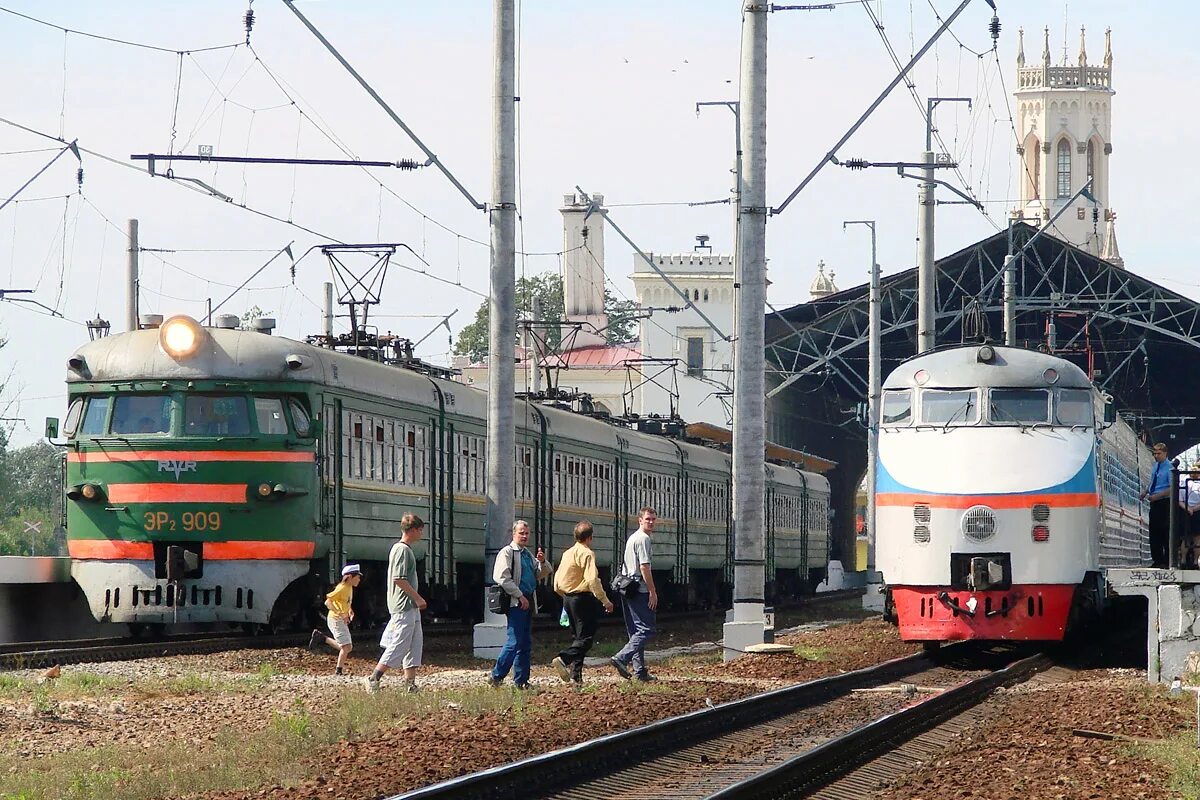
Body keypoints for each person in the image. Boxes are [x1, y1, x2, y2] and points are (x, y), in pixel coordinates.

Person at [366, 514, 427, 694]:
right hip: (404, 605)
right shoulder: (402, 550)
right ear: (414, 530)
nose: (421, 534)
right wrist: (417, 598)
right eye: (420, 530)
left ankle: (410, 684)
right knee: (399, 643)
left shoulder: (404, 549)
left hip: (410, 607)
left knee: (414, 643)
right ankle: (373, 678)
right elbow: (399, 579)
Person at [489, 520, 553, 689]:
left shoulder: (526, 554)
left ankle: (521, 681)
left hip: (528, 601)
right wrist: (519, 596)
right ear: (514, 534)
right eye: (521, 533)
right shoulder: (508, 553)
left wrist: (542, 562)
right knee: (514, 641)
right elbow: (502, 577)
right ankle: (496, 676)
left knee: (525, 643)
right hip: (516, 602)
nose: (524, 536)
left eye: (527, 533)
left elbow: (539, 574)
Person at [551, 521, 613, 684]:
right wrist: (605, 600)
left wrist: (564, 595)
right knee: (586, 637)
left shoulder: (568, 553)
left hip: (567, 598)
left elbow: (557, 580)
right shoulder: (587, 553)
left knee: (577, 637)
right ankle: (564, 658)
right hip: (582, 598)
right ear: (590, 537)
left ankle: (576, 676)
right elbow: (592, 579)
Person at [611, 507, 659, 682]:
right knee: (647, 630)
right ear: (640, 520)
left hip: (627, 588)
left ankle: (640, 672)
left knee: (635, 631)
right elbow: (644, 567)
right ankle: (621, 657)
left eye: (653, 519)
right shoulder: (644, 539)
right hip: (639, 589)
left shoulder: (632, 538)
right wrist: (652, 591)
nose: (651, 522)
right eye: (648, 519)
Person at [309, 564, 362, 675]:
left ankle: (321, 638)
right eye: (357, 577)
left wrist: (349, 610)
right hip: (336, 619)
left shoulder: (349, 588)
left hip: (340, 619)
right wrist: (341, 614)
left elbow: (344, 602)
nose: (359, 579)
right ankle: (338, 671)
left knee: (347, 647)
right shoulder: (342, 588)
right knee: (346, 647)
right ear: (350, 577)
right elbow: (328, 601)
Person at [1141, 443, 1173, 567]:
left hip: (1164, 502)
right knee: (1154, 532)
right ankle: (1157, 560)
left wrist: (1157, 496)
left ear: (1165, 453)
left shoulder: (1170, 468)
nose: (1156, 456)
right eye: (1154, 453)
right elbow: (1153, 482)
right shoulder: (1155, 467)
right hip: (1154, 502)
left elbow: (1172, 488)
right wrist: (1146, 491)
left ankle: (1166, 560)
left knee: (1164, 531)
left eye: (1158, 453)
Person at [1179, 465, 1200, 568]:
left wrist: (1188, 508)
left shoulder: (1183, 482)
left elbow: (1179, 500)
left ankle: (1183, 560)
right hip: (1197, 511)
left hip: (1185, 511)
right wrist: (1194, 508)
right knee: (1197, 538)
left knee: (1185, 537)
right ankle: (1196, 562)